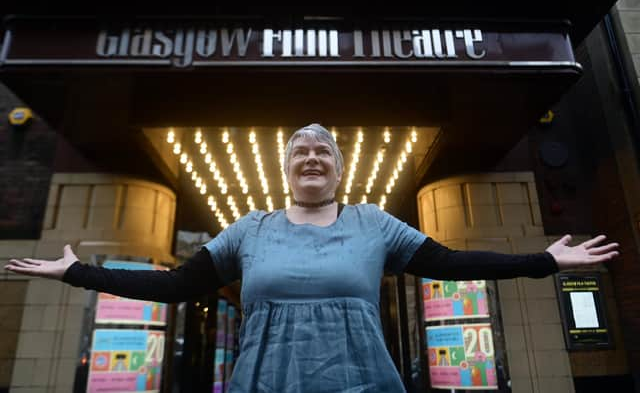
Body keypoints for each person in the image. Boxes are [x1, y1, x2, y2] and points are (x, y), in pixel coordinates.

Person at [5, 123, 619, 392]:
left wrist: (542, 260)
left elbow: (451, 264)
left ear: (339, 167)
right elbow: (175, 287)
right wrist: (76, 272)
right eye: (299, 151)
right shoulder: (251, 229)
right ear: (286, 168)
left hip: (360, 382)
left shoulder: (371, 222)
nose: (311, 158)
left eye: (323, 150)